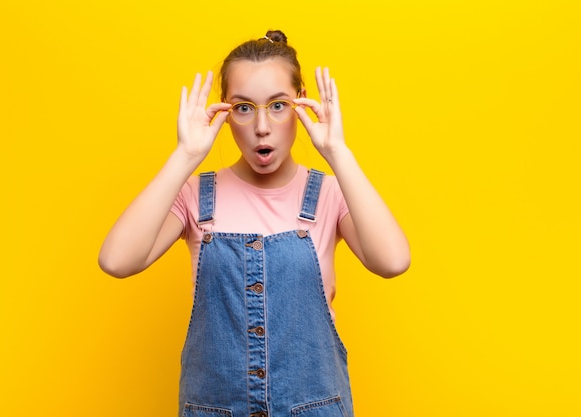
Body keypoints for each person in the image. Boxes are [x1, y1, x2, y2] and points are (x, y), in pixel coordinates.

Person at [99, 29, 410, 417]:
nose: (262, 126)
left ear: (301, 105)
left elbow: (393, 262)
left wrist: (338, 152)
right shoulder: (195, 195)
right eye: (244, 108)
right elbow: (116, 261)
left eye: (278, 106)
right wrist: (185, 155)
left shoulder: (331, 193)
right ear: (225, 115)